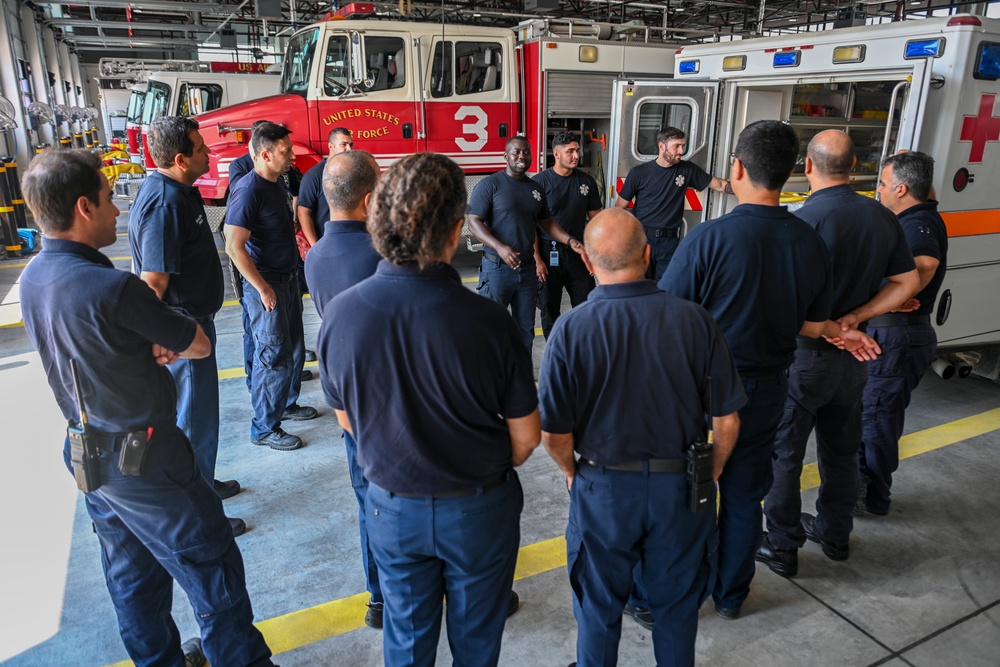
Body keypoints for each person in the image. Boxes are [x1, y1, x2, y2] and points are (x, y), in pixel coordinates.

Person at [19, 149, 275, 667]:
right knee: (210, 563)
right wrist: (162, 340)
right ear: (84, 207)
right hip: (147, 458)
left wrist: (142, 344)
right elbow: (199, 343)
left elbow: (91, 347)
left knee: (132, 577)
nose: (119, 211)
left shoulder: (32, 279)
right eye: (111, 199)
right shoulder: (112, 288)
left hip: (89, 457)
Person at [319, 152, 540, 667]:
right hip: (479, 508)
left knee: (407, 641)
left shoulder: (341, 316)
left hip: (392, 509)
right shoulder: (490, 323)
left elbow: (347, 421)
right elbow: (527, 438)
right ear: (456, 229)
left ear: (380, 221)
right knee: (477, 642)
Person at [658, 120, 879, 621]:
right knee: (744, 496)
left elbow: (668, 315)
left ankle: (685, 596)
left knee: (692, 494)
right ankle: (733, 595)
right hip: (769, 390)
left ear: (737, 168)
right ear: (793, 174)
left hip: (705, 394)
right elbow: (813, 320)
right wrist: (839, 332)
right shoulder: (808, 242)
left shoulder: (707, 239)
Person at [538, 207, 744, 667]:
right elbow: (727, 422)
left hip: (604, 490)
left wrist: (573, 472)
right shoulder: (696, 321)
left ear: (588, 264)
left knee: (599, 606)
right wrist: (711, 472)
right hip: (682, 490)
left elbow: (554, 432)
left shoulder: (570, 330)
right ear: (649, 256)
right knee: (676, 609)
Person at [757, 131, 919, 577]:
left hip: (804, 357)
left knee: (785, 455)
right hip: (858, 359)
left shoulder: (801, 222)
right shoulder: (881, 216)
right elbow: (908, 283)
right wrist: (857, 318)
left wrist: (833, 327)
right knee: (842, 451)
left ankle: (784, 546)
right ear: (854, 167)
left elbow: (778, 306)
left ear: (807, 166)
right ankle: (834, 535)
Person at [129, 116, 248, 537]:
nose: (209, 153)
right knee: (193, 422)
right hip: (184, 331)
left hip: (194, 324)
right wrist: (164, 338)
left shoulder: (178, 191)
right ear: (180, 159)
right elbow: (154, 284)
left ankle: (203, 481)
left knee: (202, 420)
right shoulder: (164, 203)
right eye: (201, 148)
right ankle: (199, 515)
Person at [303, 150, 385, 628]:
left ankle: (377, 597)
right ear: (369, 199)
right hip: (390, 400)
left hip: (347, 401)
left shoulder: (315, 257)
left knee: (367, 503)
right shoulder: (380, 255)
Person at [859, 151, 948, 516]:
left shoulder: (918, 225)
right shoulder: (915, 216)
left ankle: (872, 499)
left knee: (877, 418)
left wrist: (893, 297)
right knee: (872, 415)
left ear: (901, 188)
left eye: (881, 183)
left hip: (898, 337)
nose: (878, 190)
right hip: (897, 335)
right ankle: (863, 490)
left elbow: (925, 264)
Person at [225, 121, 317, 452]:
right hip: (268, 286)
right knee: (272, 356)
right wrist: (263, 288)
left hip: (287, 279)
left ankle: (286, 405)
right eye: (286, 151)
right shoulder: (249, 189)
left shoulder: (276, 183)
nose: (292, 155)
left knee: (292, 349)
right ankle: (264, 427)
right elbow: (233, 246)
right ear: (265, 154)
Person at [467, 136, 585, 350]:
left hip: (526, 271)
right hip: (497, 270)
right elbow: (474, 221)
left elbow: (546, 221)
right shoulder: (490, 185)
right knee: (490, 327)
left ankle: (521, 378)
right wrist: (499, 247)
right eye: (516, 152)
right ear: (506, 156)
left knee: (525, 330)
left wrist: (570, 240)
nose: (522, 156)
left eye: (526, 152)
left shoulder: (535, 188)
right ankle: (491, 380)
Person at [615, 126, 730, 281]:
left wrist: (753, 187)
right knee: (641, 288)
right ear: (661, 146)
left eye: (682, 145)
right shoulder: (639, 173)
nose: (681, 151)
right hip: (641, 239)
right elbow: (619, 208)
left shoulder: (687, 169)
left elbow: (720, 185)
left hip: (669, 242)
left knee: (668, 288)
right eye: (676, 146)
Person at [532, 131, 602, 339]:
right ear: (556, 154)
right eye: (569, 151)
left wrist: (594, 254)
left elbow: (596, 221)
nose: (575, 156)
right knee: (549, 307)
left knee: (585, 304)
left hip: (578, 253)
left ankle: (582, 346)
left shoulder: (587, 182)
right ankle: (555, 348)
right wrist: (537, 260)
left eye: (577, 151)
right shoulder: (540, 183)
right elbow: (532, 226)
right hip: (548, 253)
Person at [296, 127, 354, 247]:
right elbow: (303, 212)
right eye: (344, 144)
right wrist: (316, 246)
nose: (349, 149)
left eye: (351, 145)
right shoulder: (314, 176)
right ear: (331, 146)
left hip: (349, 242)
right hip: (326, 244)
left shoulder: (351, 172)